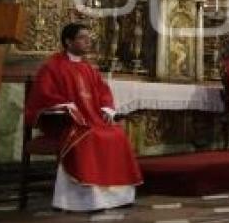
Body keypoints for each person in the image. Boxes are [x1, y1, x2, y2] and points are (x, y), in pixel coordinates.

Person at [25, 23, 142, 211]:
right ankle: (87, 199)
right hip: (66, 123)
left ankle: (116, 197)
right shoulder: (52, 66)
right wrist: (67, 107)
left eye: (89, 38)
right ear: (68, 42)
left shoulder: (89, 68)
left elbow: (103, 92)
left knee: (117, 135)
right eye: (82, 38)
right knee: (89, 137)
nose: (88, 41)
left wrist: (107, 109)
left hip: (93, 120)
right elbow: (44, 94)